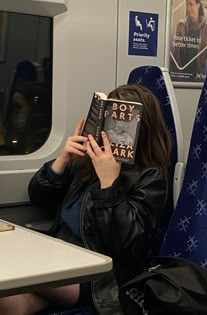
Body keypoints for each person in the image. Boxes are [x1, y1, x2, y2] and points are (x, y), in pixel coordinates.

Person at [0, 84, 172, 315]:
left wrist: (109, 184)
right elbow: (39, 197)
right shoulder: (88, 161)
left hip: (93, 277)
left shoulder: (150, 176)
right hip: (60, 254)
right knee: (11, 303)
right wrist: (63, 158)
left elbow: (128, 243)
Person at [171, 0, 207, 77]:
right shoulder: (181, 24)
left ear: (198, 5)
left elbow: (206, 52)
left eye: (191, 4)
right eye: (187, 5)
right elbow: (177, 50)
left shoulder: (205, 26)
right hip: (182, 71)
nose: (188, 8)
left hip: (198, 71)